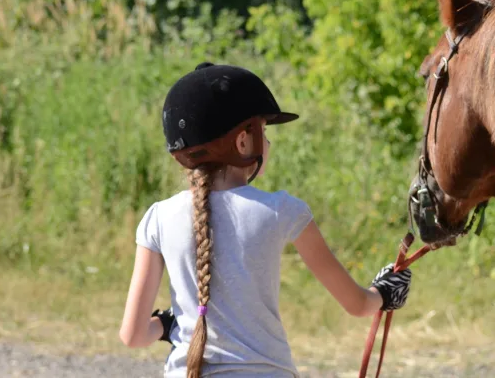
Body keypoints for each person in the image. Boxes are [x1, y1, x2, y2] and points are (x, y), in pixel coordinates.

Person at [118, 62, 413, 378]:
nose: (268, 143)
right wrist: (384, 292)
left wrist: (166, 324)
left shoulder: (157, 217)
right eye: (265, 132)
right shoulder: (282, 210)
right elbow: (357, 304)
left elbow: (133, 335)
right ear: (243, 141)